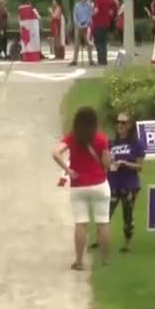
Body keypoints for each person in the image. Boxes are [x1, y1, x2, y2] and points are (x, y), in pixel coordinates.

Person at [52, 106, 112, 271]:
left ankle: (79, 261)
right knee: (103, 223)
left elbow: (55, 153)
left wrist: (68, 170)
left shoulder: (72, 137)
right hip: (99, 184)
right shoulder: (101, 139)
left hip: (79, 185)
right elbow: (107, 163)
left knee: (81, 224)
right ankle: (105, 261)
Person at [105, 113, 145, 253]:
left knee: (127, 216)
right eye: (118, 122)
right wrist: (109, 163)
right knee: (105, 214)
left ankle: (127, 243)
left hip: (129, 185)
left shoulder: (136, 144)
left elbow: (139, 167)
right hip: (113, 183)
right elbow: (104, 162)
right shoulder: (111, 143)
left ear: (130, 125)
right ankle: (101, 240)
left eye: (123, 122)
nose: (120, 125)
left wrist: (125, 163)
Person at [91, 0, 117, 65]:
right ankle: (104, 60)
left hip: (98, 23)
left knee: (98, 43)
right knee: (104, 42)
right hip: (106, 23)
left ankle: (100, 60)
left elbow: (96, 10)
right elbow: (111, 11)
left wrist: (90, 14)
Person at [71, 0, 93, 66]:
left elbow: (90, 15)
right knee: (77, 43)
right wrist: (78, 23)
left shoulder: (89, 5)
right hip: (78, 26)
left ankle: (91, 60)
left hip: (86, 26)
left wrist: (87, 23)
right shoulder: (77, 5)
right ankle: (74, 60)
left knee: (88, 44)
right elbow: (74, 15)